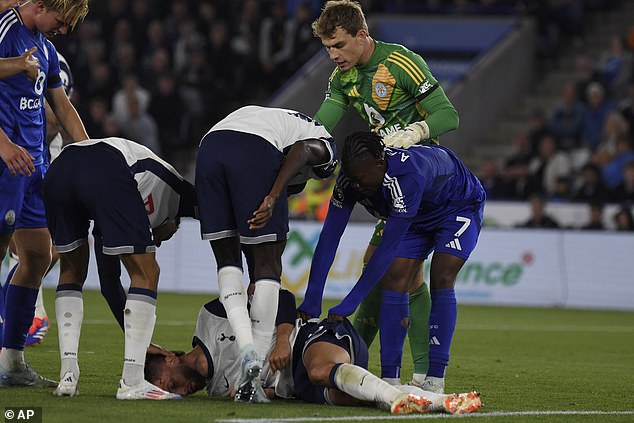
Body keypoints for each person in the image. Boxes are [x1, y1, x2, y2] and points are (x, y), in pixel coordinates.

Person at [310, 0, 460, 390]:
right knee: (395, 272)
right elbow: (325, 120)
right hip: (385, 178)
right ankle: (384, 367)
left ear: (362, 36)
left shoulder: (400, 63)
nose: (333, 55)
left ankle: (414, 372)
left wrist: (416, 132)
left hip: (419, 178)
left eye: (339, 45)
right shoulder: (342, 77)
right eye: (327, 48)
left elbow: (449, 115)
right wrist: (302, 138)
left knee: (392, 267)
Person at [297, 132, 485, 396]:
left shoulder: (407, 178)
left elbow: (384, 252)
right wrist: (313, 297)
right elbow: (330, 236)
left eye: (361, 180)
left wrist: (350, 302)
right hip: (417, 213)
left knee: (442, 274)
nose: (357, 187)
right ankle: (391, 378)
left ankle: (435, 377)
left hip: (457, 205)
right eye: (351, 179)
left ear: (379, 163)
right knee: (395, 279)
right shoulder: (351, 179)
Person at [195, 105, 338, 402]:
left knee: (227, 262)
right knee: (269, 266)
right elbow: (301, 151)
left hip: (209, 146)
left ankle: (247, 346)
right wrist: (273, 196)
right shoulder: (326, 145)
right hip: (254, 148)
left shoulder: (277, 118)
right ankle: (252, 372)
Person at [143, 293, 481, 415]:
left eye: (165, 383)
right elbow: (272, 391)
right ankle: (440, 401)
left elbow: (281, 297)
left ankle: (394, 397)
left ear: (167, 357)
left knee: (321, 370)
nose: (177, 392)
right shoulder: (218, 391)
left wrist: (281, 340)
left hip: (313, 338)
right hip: (302, 386)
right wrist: (267, 392)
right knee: (354, 400)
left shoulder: (212, 315)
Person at [42, 137, 196, 400]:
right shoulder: (178, 194)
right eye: (165, 236)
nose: (157, 240)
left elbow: (109, 283)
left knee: (71, 271)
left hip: (60, 170)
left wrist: (142, 344)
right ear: (173, 220)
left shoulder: (125, 206)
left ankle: (68, 376)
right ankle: (132, 382)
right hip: (106, 166)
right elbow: (212, 203)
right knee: (148, 273)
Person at [0, 0, 89, 388]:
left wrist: (92, 155)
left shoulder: (47, 49)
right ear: (40, 5)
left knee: (39, 257)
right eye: (62, 20)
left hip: (34, 168)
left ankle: (12, 362)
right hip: (5, 161)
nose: (64, 30)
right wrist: (2, 145)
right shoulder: (6, 29)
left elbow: (63, 108)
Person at [0, 50, 75, 348]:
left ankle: (32, 313)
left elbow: (58, 116)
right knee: (19, 246)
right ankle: (31, 313)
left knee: (41, 248)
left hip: (41, 158)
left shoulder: (52, 58)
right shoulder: (13, 41)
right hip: (13, 152)